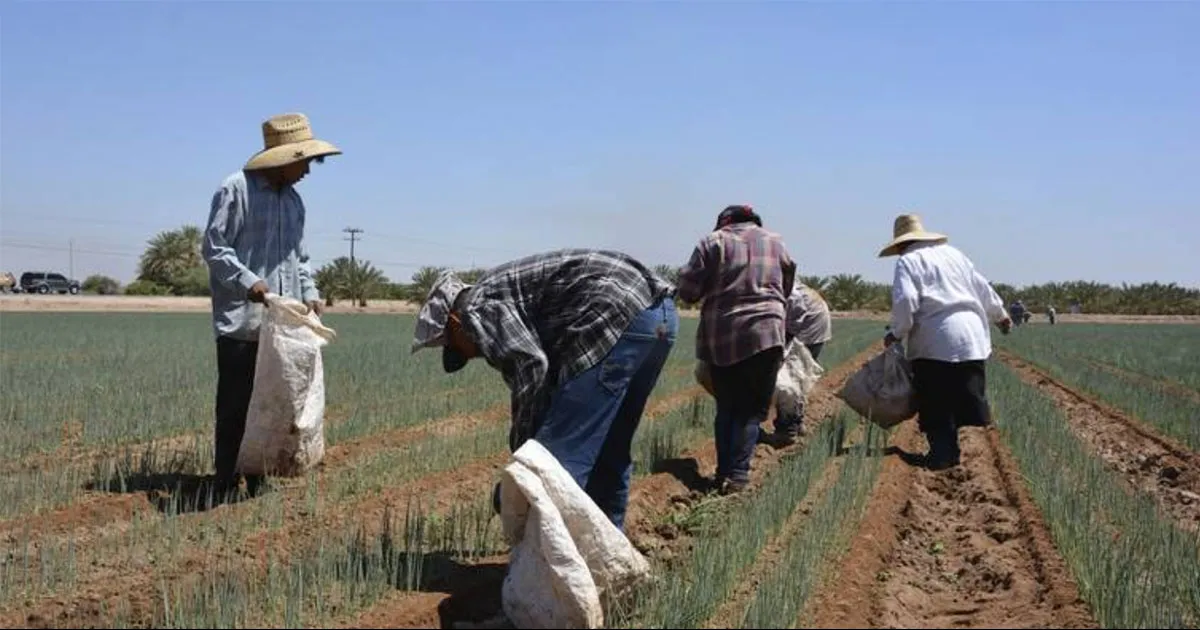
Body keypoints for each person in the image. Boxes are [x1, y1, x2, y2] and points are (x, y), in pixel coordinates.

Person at [410, 249, 678, 531]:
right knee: (611, 449)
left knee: (556, 465)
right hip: (658, 316)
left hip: (613, 313)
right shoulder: (497, 292)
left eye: (454, 345)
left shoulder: (475, 309)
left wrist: (523, 462)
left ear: (454, 321)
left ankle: (552, 558)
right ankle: (607, 551)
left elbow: (532, 365)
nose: (471, 354)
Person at [201, 112, 339, 495]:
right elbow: (214, 247)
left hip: (284, 328)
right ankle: (224, 481)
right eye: (304, 162)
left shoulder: (294, 202)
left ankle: (259, 475)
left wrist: (310, 294)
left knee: (274, 406)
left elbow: (300, 259)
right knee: (236, 405)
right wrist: (249, 282)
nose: (307, 171)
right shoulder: (236, 190)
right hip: (243, 323)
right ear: (285, 158)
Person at [676, 205, 796, 495]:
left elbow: (688, 292)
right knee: (751, 410)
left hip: (724, 336)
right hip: (768, 334)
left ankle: (723, 474)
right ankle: (738, 476)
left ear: (724, 222)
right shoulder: (776, 241)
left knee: (728, 406)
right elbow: (787, 285)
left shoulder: (712, 242)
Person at [878, 213, 1012, 470]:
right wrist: (1001, 315)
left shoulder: (908, 261)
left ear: (901, 244)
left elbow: (906, 301)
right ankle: (957, 454)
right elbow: (982, 288)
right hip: (971, 337)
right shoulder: (955, 254)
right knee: (963, 397)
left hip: (935, 339)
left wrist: (896, 332)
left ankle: (942, 455)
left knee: (935, 400)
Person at [770, 282, 833, 444]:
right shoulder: (780, 280)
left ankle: (787, 430)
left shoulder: (782, 285)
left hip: (809, 327)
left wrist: (783, 344)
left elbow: (794, 308)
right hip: (815, 323)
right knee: (799, 377)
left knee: (788, 379)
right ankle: (797, 422)